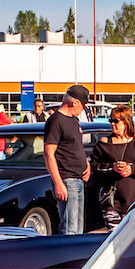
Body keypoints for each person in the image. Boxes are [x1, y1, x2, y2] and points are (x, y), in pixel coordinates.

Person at [91, 105, 135, 228]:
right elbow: (94, 166)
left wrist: (132, 169)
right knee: (113, 238)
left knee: (131, 239)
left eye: (116, 121)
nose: (112, 124)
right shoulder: (103, 144)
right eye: (111, 120)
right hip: (111, 201)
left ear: (126, 122)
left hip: (133, 202)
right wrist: (111, 167)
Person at [43, 84, 91, 235]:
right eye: (83, 104)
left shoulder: (74, 120)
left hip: (79, 178)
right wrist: (58, 183)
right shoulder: (56, 121)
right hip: (67, 179)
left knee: (78, 227)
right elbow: (49, 153)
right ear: (74, 102)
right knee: (69, 228)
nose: (84, 108)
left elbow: (77, 146)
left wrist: (87, 164)